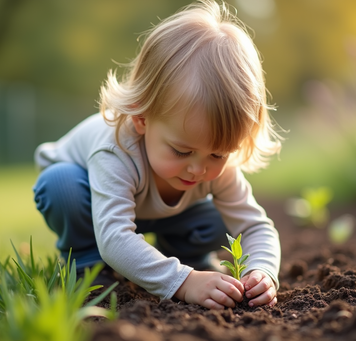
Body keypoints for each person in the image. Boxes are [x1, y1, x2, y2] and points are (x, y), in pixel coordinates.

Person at [33, 0, 282, 310]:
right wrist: (183, 283)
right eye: (182, 150)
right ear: (142, 119)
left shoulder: (216, 165)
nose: (197, 169)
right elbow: (114, 238)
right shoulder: (115, 150)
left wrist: (263, 271)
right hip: (90, 205)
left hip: (161, 216)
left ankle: (189, 257)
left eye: (218, 155)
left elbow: (255, 226)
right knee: (61, 186)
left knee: (219, 215)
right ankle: (87, 266)